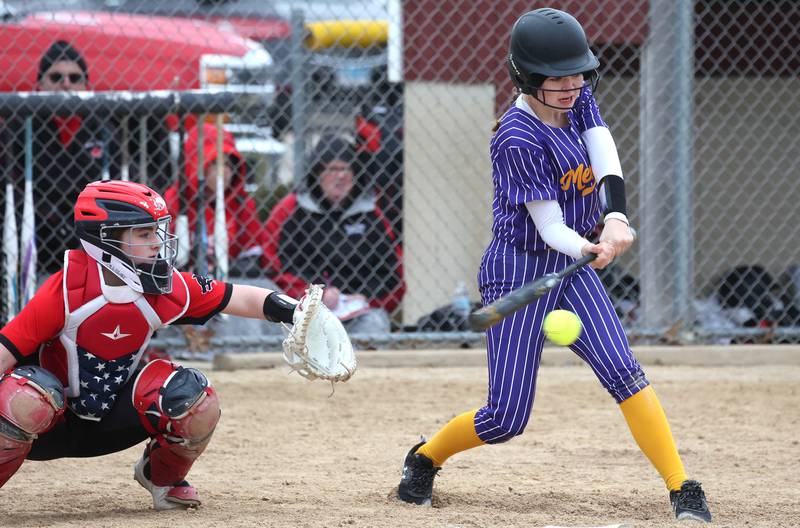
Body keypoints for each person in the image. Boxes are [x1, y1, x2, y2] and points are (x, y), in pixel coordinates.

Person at [395, 8, 712, 523]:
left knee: (623, 371)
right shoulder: (517, 137)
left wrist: (613, 214)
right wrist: (588, 247)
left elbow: (601, 143)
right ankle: (426, 457)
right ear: (526, 77)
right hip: (519, 268)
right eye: (558, 77)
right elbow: (549, 229)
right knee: (505, 418)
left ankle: (682, 486)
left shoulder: (575, 94)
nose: (572, 85)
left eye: (579, 73)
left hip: (571, 267)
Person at [0, 180, 317, 510]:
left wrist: (296, 311)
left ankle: (162, 479)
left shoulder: (162, 286)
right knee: (28, 395)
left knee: (194, 397)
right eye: (143, 234)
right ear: (105, 238)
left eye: (157, 231)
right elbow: (6, 349)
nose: (157, 243)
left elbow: (236, 296)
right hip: (47, 426)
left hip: (111, 422)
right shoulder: (68, 290)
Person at [263, 135, 404, 334]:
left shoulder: (371, 211)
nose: (340, 176)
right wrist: (314, 294)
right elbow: (272, 267)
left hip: (358, 311)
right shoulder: (291, 209)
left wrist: (366, 298)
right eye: (332, 169)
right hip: (302, 309)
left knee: (374, 324)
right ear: (317, 173)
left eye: (346, 169)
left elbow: (393, 275)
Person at [2, 40, 117, 276]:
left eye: (74, 78)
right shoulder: (17, 129)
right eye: (56, 78)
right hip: (34, 239)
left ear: (86, 86)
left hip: (88, 240)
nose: (66, 84)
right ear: (39, 86)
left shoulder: (104, 129)